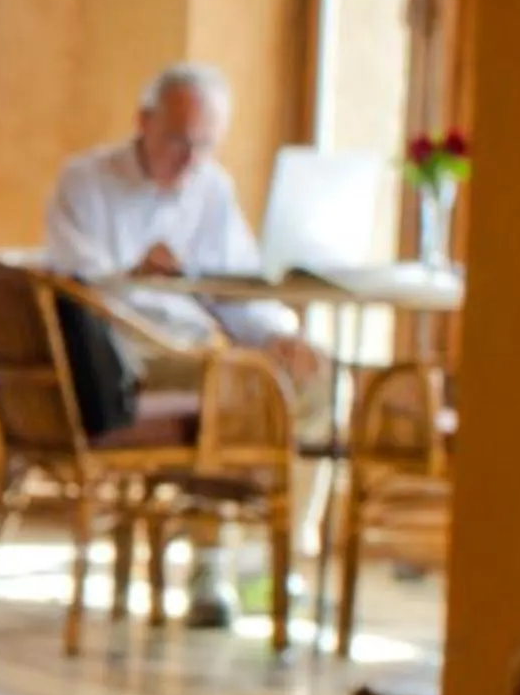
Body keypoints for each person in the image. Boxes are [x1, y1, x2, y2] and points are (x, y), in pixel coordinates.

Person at [44, 63, 323, 625]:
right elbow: (71, 280)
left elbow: (232, 285)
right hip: (126, 353)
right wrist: (133, 270)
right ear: (143, 122)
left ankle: (274, 555)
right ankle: (212, 563)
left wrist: (280, 336)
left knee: (310, 379)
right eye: (179, 140)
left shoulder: (212, 187)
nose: (191, 159)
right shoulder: (86, 180)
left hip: (198, 350)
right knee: (244, 388)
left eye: (205, 144)